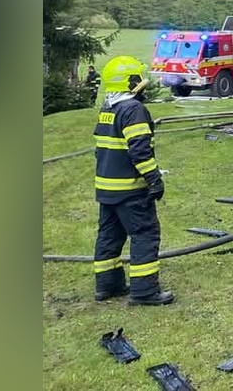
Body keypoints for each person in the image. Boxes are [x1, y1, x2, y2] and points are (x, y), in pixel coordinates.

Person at [92, 55, 173, 305]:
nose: (143, 85)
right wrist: (154, 179)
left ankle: (108, 285)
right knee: (145, 233)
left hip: (107, 187)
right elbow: (139, 150)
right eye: (138, 79)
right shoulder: (133, 109)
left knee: (109, 236)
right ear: (130, 82)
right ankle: (145, 291)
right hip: (129, 189)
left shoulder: (108, 108)